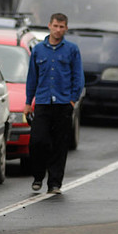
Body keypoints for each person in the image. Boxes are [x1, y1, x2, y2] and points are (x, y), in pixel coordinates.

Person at [24, 13, 84, 194]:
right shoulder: (38, 50)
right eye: (55, 26)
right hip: (42, 102)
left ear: (66, 28)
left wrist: (73, 100)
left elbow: (78, 77)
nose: (58, 30)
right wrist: (28, 102)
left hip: (64, 103)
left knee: (59, 144)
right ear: (49, 26)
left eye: (62, 27)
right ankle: (38, 175)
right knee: (38, 141)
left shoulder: (72, 50)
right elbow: (32, 78)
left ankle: (55, 183)